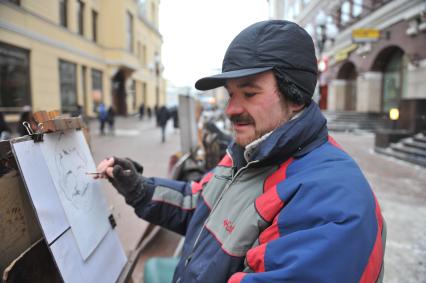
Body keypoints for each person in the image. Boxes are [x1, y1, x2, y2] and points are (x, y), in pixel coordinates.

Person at [96, 20, 385, 283]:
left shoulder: (331, 199)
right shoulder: (248, 153)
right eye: (231, 94)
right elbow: (200, 205)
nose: (231, 109)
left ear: (295, 97)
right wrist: (139, 188)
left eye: (249, 93)